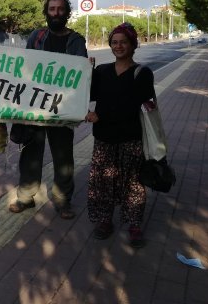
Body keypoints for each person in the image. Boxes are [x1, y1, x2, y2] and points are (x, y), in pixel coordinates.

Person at [9, 0, 88, 219]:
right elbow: (23, 66)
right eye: (52, 9)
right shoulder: (37, 36)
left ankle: (63, 200)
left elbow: (79, 75)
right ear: (46, 12)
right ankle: (25, 196)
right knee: (30, 153)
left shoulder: (76, 40)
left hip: (62, 108)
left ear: (67, 13)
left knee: (63, 156)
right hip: (34, 105)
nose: (56, 13)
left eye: (60, 9)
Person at [85, 23, 154, 248]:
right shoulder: (102, 71)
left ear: (133, 44)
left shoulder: (142, 73)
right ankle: (105, 220)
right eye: (114, 42)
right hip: (104, 138)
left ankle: (134, 224)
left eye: (123, 42)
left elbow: (134, 105)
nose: (118, 46)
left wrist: (100, 116)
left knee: (133, 183)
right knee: (103, 181)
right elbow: (88, 93)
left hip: (130, 137)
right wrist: (85, 72)